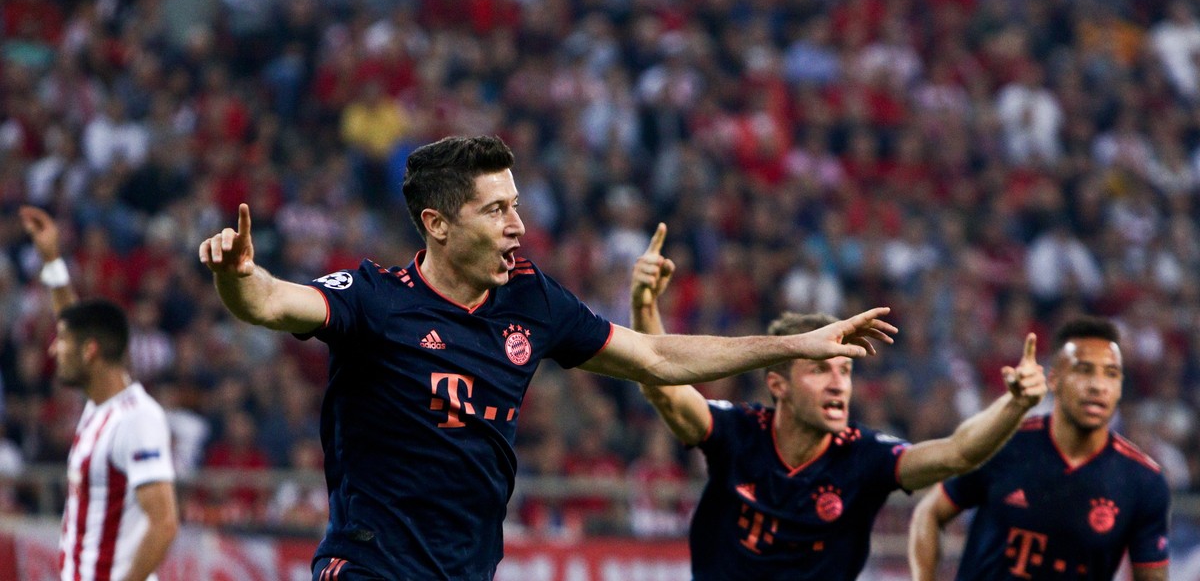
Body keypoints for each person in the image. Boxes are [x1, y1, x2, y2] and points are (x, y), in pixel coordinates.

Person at [197, 135, 898, 580]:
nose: (519, 226)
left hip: (468, 569)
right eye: (496, 210)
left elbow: (655, 356)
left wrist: (796, 344)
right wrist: (237, 275)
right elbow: (271, 302)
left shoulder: (530, 299)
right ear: (438, 225)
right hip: (371, 565)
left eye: (516, 205)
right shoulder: (377, 300)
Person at [629, 223, 1048, 580]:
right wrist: (645, 306)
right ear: (778, 385)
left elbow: (957, 454)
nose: (838, 384)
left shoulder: (863, 457)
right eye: (819, 370)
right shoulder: (738, 432)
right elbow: (664, 390)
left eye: (845, 371)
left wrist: (1014, 405)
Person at [908, 317, 1170, 581]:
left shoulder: (1143, 481)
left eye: (1110, 374)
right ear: (1054, 380)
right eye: (1084, 370)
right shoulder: (1003, 444)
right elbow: (930, 512)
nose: (1097, 385)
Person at [20, 206, 179, 581]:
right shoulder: (101, 405)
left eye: (61, 342)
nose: (53, 350)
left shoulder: (137, 418)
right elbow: (74, 322)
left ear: (90, 352)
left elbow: (164, 524)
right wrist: (53, 262)